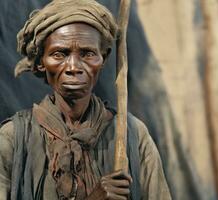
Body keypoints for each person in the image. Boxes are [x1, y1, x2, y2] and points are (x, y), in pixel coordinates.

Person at [0, 0, 171, 199]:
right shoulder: (12, 139)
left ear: (103, 59)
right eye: (59, 54)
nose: (73, 67)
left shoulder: (133, 135)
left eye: (87, 53)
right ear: (40, 63)